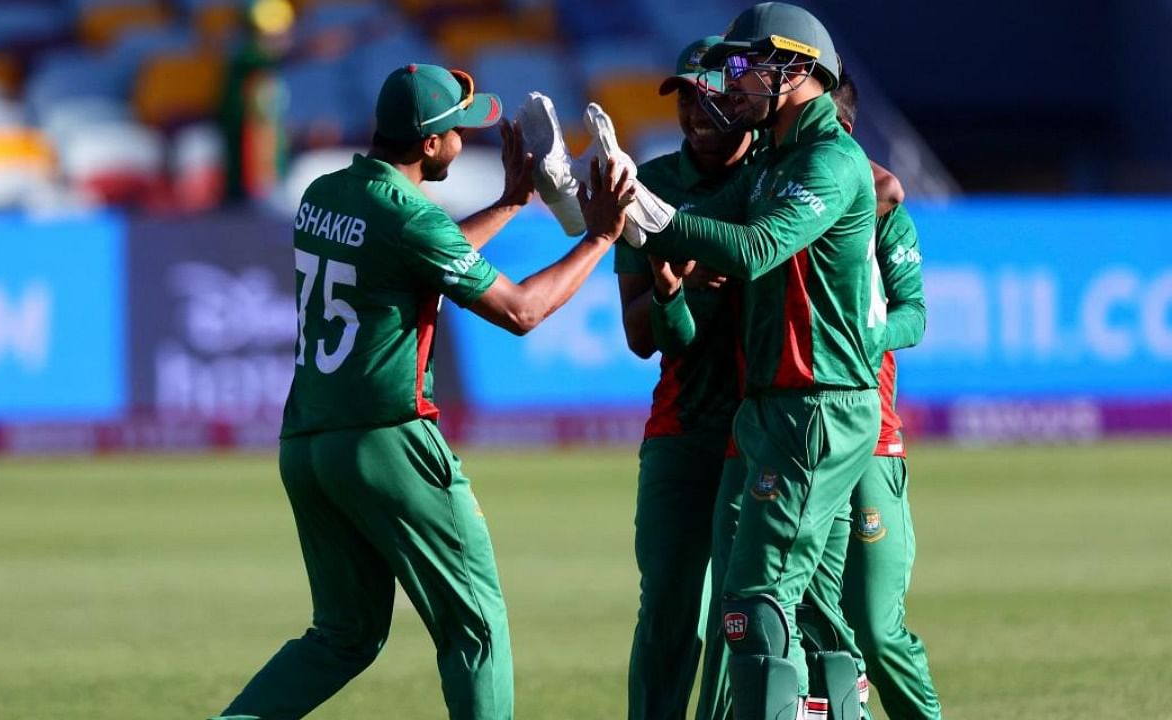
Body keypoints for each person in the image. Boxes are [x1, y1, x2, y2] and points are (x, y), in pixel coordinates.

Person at [209, 62, 632, 720]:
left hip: (307, 446)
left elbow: (413, 259)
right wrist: (602, 235)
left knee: (342, 636)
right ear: (430, 146)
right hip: (388, 443)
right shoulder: (408, 216)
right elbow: (520, 310)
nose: (468, 138)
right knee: (476, 627)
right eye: (460, 130)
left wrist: (511, 203)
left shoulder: (324, 193)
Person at [589, 4, 887, 718]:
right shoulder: (776, 164)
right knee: (790, 610)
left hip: (811, 404)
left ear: (794, 70)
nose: (731, 85)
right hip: (763, 412)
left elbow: (751, 247)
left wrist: (650, 218)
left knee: (753, 606)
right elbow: (691, 247)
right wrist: (598, 202)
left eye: (747, 67)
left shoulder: (819, 160)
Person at [615, 36, 752, 720]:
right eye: (686, 96)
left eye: (712, 96)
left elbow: (877, 184)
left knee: (741, 609)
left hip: (763, 426)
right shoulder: (648, 185)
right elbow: (640, 336)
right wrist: (680, 286)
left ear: (746, 99)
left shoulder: (784, 173)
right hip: (681, 426)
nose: (696, 110)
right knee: (669, 608)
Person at [831, 69, 945, 720]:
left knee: (876, 626)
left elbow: (916, 315)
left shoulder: (883, 208)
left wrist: (864, 333)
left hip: (871, 441)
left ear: (840, 127)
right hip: (791, 436)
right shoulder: (775, 194)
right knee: (805, 626)